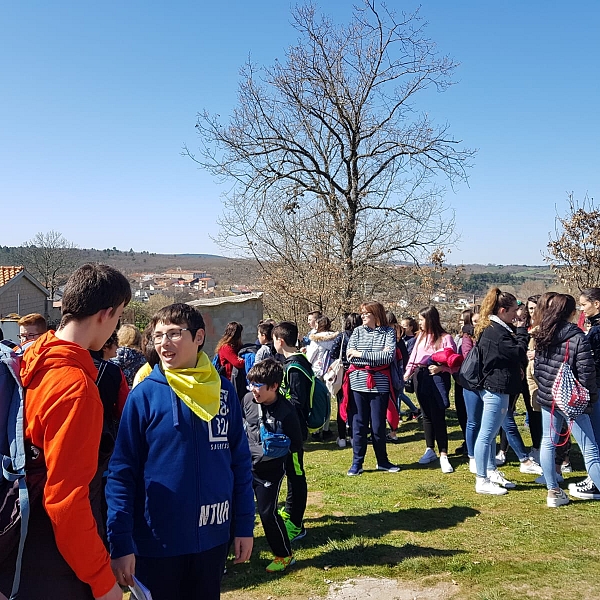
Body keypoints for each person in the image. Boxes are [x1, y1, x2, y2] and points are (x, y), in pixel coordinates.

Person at [0, 263, 130, 600]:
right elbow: (66, 502)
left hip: (16, 542)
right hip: (52, 563)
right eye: (118, 317)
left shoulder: (28, 358)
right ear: (107, 313)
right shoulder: (75, 387)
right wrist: (103, 583)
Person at [106, 303, 254, 599]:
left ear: (199, 337)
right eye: (158, 335)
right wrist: (120, 542)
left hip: (213, 538)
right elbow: (121, 473)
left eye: (174, 334)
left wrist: (244, 525)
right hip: (157, 542)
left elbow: (239, 462)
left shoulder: (223, 392)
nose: (163, 343)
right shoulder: (144, 396)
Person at [532, 293, 600, 507]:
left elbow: (538, 369)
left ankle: (553, 490)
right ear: (570, 313)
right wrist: (591, 397)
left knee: (548, 442)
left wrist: (545, 390)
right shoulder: (577, 337)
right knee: (589, 448)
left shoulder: (543, 334)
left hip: (549, 398)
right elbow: (586, 372)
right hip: (572, 399)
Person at [242, 359, 303, 573]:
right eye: (251, 384)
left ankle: (284, 555)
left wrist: (278, 444)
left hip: (270, 471)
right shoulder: (248, 400)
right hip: (244, 467)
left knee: (267, 513)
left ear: (274, 386)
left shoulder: (287, 411)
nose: (253, 389)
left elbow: (296, 443)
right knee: (235, 510)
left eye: (258, 385)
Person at [472, 288, 528, 495]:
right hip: (495, 387)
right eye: (514, 310)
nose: (517, 314)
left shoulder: (496, 327)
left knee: (490, 433)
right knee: (486, 435)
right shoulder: (496, 331)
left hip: (496, 386)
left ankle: (490, 470)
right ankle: (482, 479)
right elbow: (518, 352)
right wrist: (522, 332)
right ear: (503, 310)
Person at [345, 301, 399, 476]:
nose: (362, 316)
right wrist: (370, 358)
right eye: (361, 313)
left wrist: (361, 354)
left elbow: (387, 357)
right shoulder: (357, 332)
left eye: (366, 313)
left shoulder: (388, 332)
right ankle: (357, 463)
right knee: (358, 425)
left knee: (377, 426)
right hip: (357, 382)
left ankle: (382, 461)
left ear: (376, 314)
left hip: (379, 385)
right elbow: (349, 356)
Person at [404, 306, 457, 474]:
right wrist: (406, 375)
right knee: (426, 414)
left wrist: (441, 369)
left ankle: (443, 453)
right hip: (421, 376)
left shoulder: (446, 338)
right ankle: (429, 449)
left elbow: (454, 363)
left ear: (430, 319)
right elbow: (413, 358)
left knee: (438, 415)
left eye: (421, 319)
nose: (419, 323)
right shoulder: (420, 337)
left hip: (438, 378)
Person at [272, 321, 310, 542]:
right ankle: (289, 508)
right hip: (289, 429)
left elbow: (297, 401)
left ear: (280, 341)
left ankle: (296, 524)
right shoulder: (294, 362)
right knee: (290, 471)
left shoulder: (294, 367)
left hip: (294, 431)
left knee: (296, 475)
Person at [329, 313, 361, 447]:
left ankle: (342, 437)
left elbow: (332, 353)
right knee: (355, 406)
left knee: (342, 404)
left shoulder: (341, 337)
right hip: (357, 373)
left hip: (342, 375)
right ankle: (354, 436)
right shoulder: (361, 338)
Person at [306, 316, 339, 441]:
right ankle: (326, 429)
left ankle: (316, 430)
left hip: (317, 372)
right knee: (327, 401)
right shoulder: (336, 339)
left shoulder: (316, 340)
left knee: (316, 401)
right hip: (330, 373)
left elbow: (310, 358)